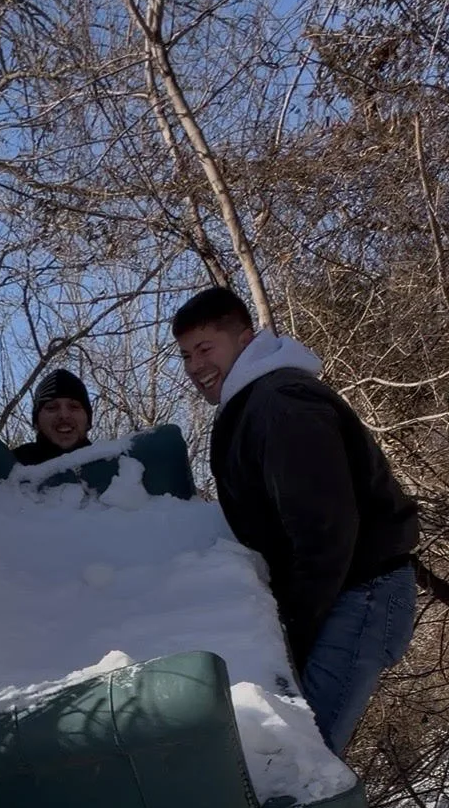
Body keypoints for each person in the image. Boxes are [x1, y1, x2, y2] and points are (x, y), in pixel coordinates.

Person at [172, 285, 418, 755]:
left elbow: (323, 528)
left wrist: (294, 630)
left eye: (206, 348)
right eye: (185, 355)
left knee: (305, 762)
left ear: (245, 340)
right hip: (344, 595)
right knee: (298, 757)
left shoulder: (281, 404)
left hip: (358, 594)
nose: (195, 366)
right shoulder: (257, 403)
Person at [11, 368, 93, 464]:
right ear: (37, 422)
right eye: (52, 407)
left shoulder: (109, 465)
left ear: (88, 420)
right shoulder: (11, 466)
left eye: (74, 407)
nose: (64, 415)